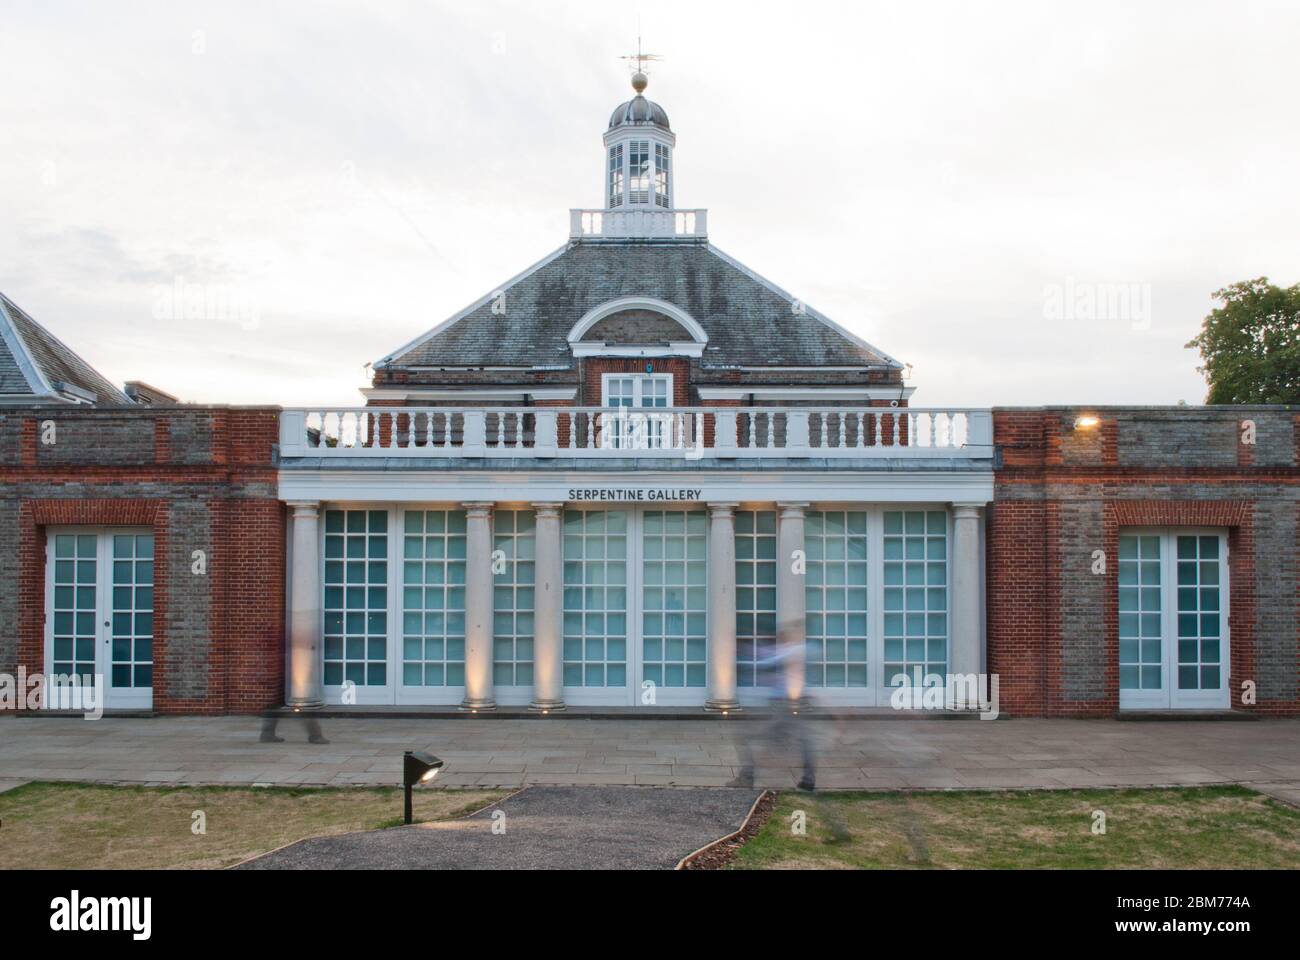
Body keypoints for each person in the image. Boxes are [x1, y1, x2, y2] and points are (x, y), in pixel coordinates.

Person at [732, 623, 816, 791]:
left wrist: (749, 650)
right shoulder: (791, 651)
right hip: (785, 705)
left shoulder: (793, 651)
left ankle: (748, 777)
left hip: (784, 707)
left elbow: (767, 661)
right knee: (801, 741)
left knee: (747, 739)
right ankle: (808, 779)